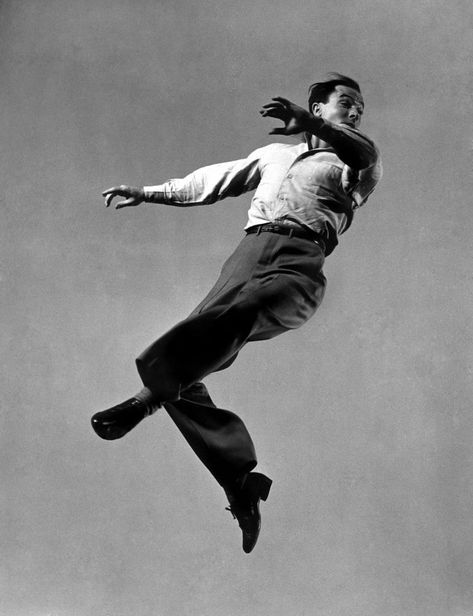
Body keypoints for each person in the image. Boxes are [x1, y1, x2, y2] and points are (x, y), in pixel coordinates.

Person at [91, 73, 382, 554]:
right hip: (247, 255)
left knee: (236, 318)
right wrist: (147, 192)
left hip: (299, 265)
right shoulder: (273, 156)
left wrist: (313, 124)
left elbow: (364, 153)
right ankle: (239, 484)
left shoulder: (355, 163)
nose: (354, 112)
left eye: (360, 109)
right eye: (346, 103)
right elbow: (209, 182)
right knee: (183, 353)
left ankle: (145, 401)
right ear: (319, 103)